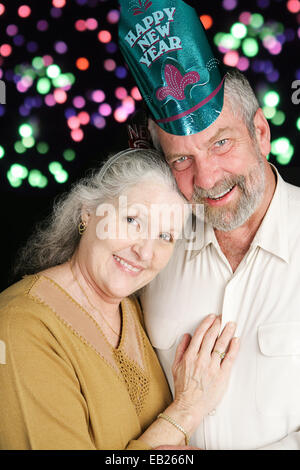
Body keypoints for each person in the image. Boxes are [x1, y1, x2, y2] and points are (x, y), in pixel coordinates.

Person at [119, 0, 300, 450]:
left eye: (221, 143)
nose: (207, 179)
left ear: (260, 132)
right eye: (182, 159)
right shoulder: (150, 252)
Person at [0, 149, 239, 450]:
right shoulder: (18, 328)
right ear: (88, 212)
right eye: (132, 220)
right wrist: (187, 410)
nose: (145, 252)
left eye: (165, 237)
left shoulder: (135, 311)